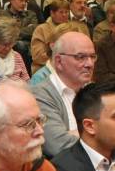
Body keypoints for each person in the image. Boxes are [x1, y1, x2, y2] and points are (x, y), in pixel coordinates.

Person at [31, 30, 97, 158]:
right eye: (80, 57)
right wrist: (104, 136)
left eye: (92, 57)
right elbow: (58, 145)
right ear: (59, 61)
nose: (89, 64)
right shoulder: (40, 95)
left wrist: (75, 133)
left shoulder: (94, 91)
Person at [30, 0, 70, 70]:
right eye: (61, 12)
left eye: (66, 12)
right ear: (52, 13)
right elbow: (37, 57)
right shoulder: (41, 29)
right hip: (44, 68)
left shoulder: (73, 29)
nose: (64, 15)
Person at [0, 18, 30, 83]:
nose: (7, 48)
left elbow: (28, 83)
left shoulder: (16, 56)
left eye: (10, 43)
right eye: (2, 44)